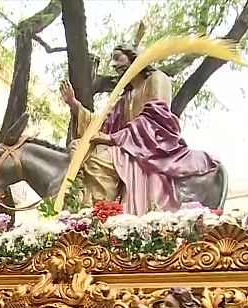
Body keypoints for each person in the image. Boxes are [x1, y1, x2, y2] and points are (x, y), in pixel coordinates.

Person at [60, 44, 219, 215]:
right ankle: (82, 210)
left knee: (97, 161)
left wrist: (115, 139)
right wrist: (74, 104)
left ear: (134, 57)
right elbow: (102, 125)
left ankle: (103, 215)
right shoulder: (125, 97)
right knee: (78, 146)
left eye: (118, 58)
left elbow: (156, 118)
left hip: (150, 145)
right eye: (112, 61)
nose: (114, 65)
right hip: (124, 145)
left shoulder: (157, 79)